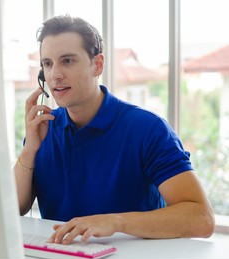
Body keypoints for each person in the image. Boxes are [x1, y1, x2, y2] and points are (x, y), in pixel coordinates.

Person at [14, 15, 215, 245]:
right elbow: (14, 208)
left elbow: (201, 218)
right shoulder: (43, 128)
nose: (55, 75)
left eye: (67, 61)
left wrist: (115, 222)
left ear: (97, 64)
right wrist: (30, 150)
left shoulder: (147, 129)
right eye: (47, 64)